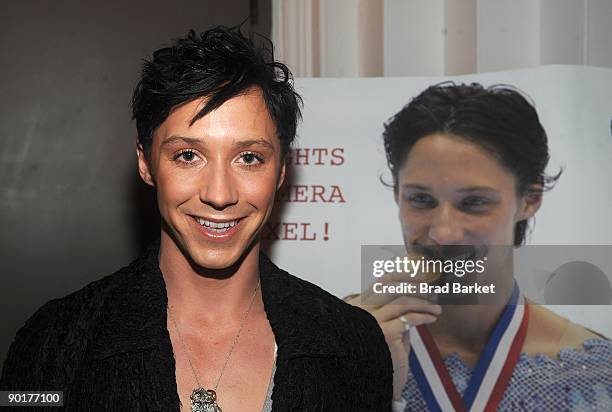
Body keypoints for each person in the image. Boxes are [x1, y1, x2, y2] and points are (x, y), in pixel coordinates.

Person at [0, 26, 392, 411]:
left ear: (282, 173)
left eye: (249, 157)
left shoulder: (354, 344)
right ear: (146, 163)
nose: (219, 194)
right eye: (188, 155)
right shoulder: (53, 342)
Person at [346, 83, 612, 411]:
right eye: (421, 199)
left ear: (530, 199)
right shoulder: (327, 344)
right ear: (397, 195)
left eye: (474, 202)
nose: (443, 232)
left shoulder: (597, 374)